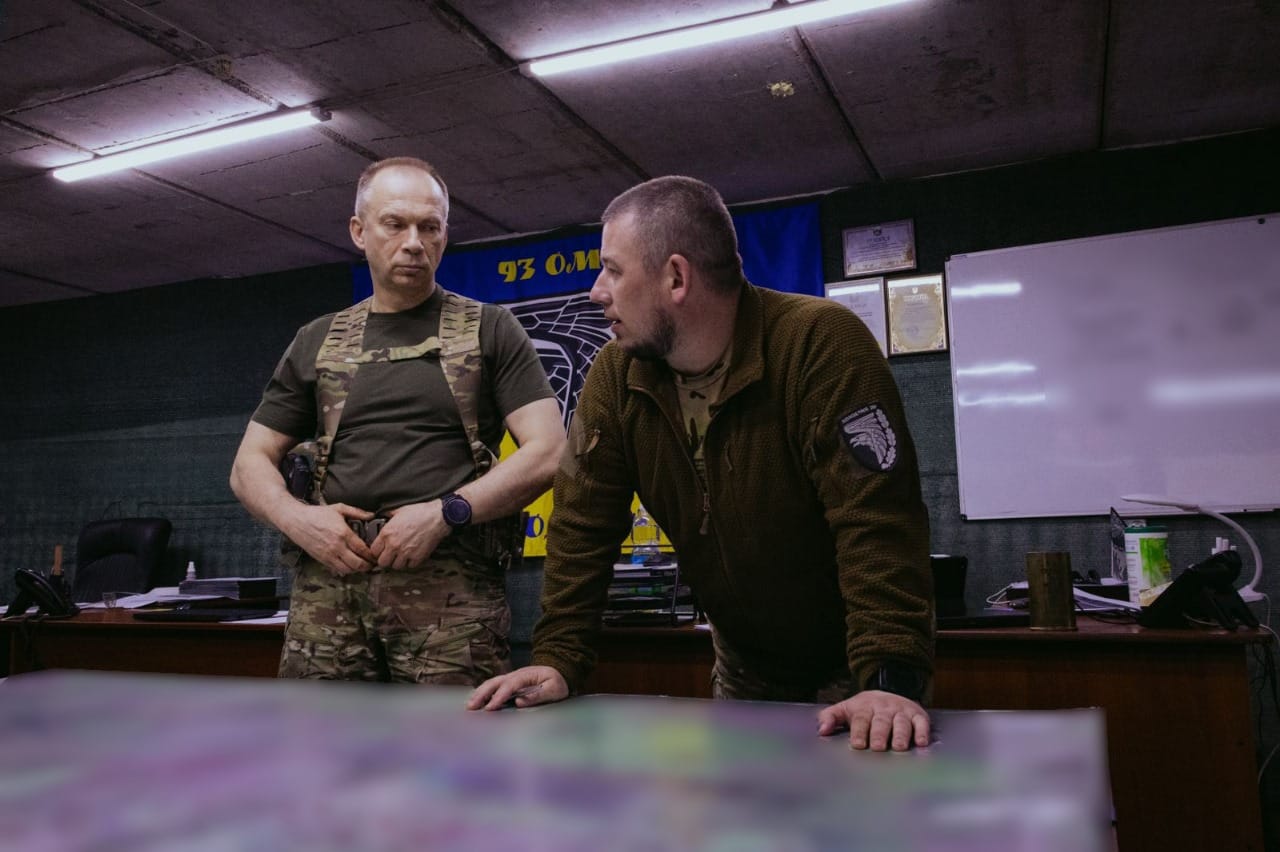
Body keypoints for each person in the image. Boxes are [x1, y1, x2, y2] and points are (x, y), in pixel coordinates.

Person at [469, 176, 934, 751]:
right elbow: (581, 526)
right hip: (742, 663)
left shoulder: (820, 344)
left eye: (612, 270)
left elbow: (877, 523)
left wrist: (888, 677)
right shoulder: (616, 375)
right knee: (739, 805)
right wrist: (558, 657)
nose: (596, 292)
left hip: (857, 665)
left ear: (676, 278)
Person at [230, 157, 564, 683]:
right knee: (320, 735)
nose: (414, 243)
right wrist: (299, 520)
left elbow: (548, 451)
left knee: (449, 736)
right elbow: (248, 463)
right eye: (395, 224)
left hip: (450, 594)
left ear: (444, 235)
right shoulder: (317, 340)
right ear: (359, 232)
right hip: (329, 585)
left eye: (429, 227)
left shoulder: (491, 329)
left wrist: (447, 513)